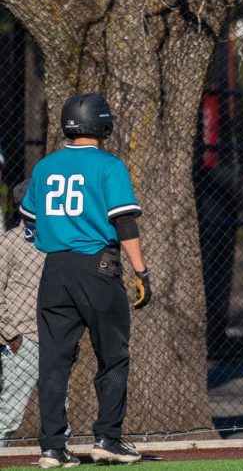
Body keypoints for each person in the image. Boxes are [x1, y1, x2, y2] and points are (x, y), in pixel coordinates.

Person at [19, 94, 150, 467]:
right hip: (97, 268)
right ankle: (108, 439)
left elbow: (28, 219)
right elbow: (124, 222)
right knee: (112, 357)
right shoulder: (109, 165)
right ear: (102, 124)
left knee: (54, 360)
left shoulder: (45, 166)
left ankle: (52, 448)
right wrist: (141, 272)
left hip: (55, 269)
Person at [1, 181, 43, 447]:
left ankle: (57, 457)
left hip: (56, 339)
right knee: (9, 416)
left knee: (58, 414)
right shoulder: (8, 243)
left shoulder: (58, 240)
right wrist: (11, 335)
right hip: (22, 340)